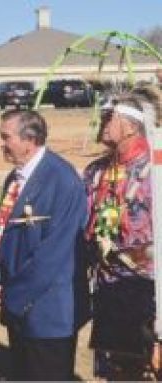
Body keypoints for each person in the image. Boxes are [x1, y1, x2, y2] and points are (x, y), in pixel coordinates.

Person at [0, 109, 88, 380]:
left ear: (29, 140)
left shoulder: (62, 180)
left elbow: (54, 255)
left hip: (48, 311)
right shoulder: (15, 178)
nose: (0, 143)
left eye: (5, 137)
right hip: (20, 306)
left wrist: (13, 294)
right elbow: (2, 233)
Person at [83, 90, 159, 380]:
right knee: (118, 371)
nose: (100, 123)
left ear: (129, 124)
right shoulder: (97, 171)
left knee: (151, 368)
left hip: (150, 289)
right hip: (108, 287)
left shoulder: (156, 167)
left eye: (107, 117)